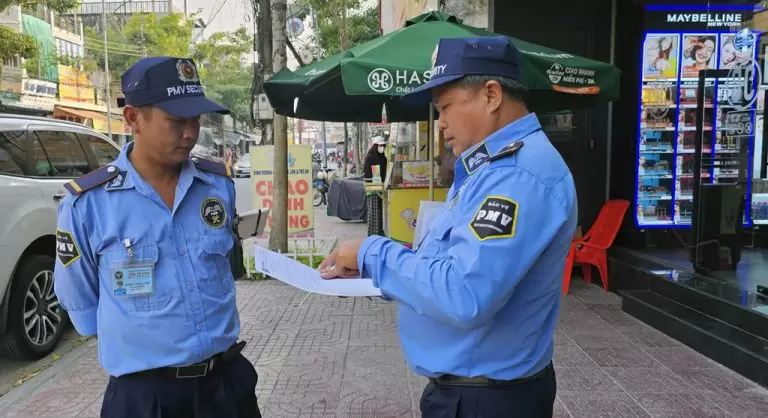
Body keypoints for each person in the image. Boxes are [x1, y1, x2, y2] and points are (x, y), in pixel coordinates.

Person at [319, 36, 578, 417]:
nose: (440, 123)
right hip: (472, 393)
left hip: (487, 400)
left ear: (491, 95)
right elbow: (451, 265)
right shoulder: (489, 168)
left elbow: (464, 293)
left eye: (445, 107)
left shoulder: (519, 176)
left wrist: (372, 251)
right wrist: (373, 271)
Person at [53, 56, 261, 418]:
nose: (190, 133)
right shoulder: (87, 206)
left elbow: (227, 266)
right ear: (133, 118)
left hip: (226, 388)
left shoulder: (218, 186)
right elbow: (85, 315)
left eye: (195, 119)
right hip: (146, 400)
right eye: (177, 121)